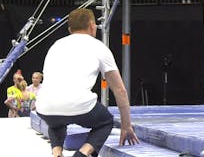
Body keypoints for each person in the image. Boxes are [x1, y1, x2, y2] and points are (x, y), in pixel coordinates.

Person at [36, 8, 138, 157]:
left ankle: (57, 152)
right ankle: (84, 153)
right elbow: (120, 90)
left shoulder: (55, 45)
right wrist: (126, 125)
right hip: (79, 106)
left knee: (56, 122)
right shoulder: (99, 47)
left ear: (70, 29)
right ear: (92, 25)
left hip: (44, 107)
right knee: (106, 122)